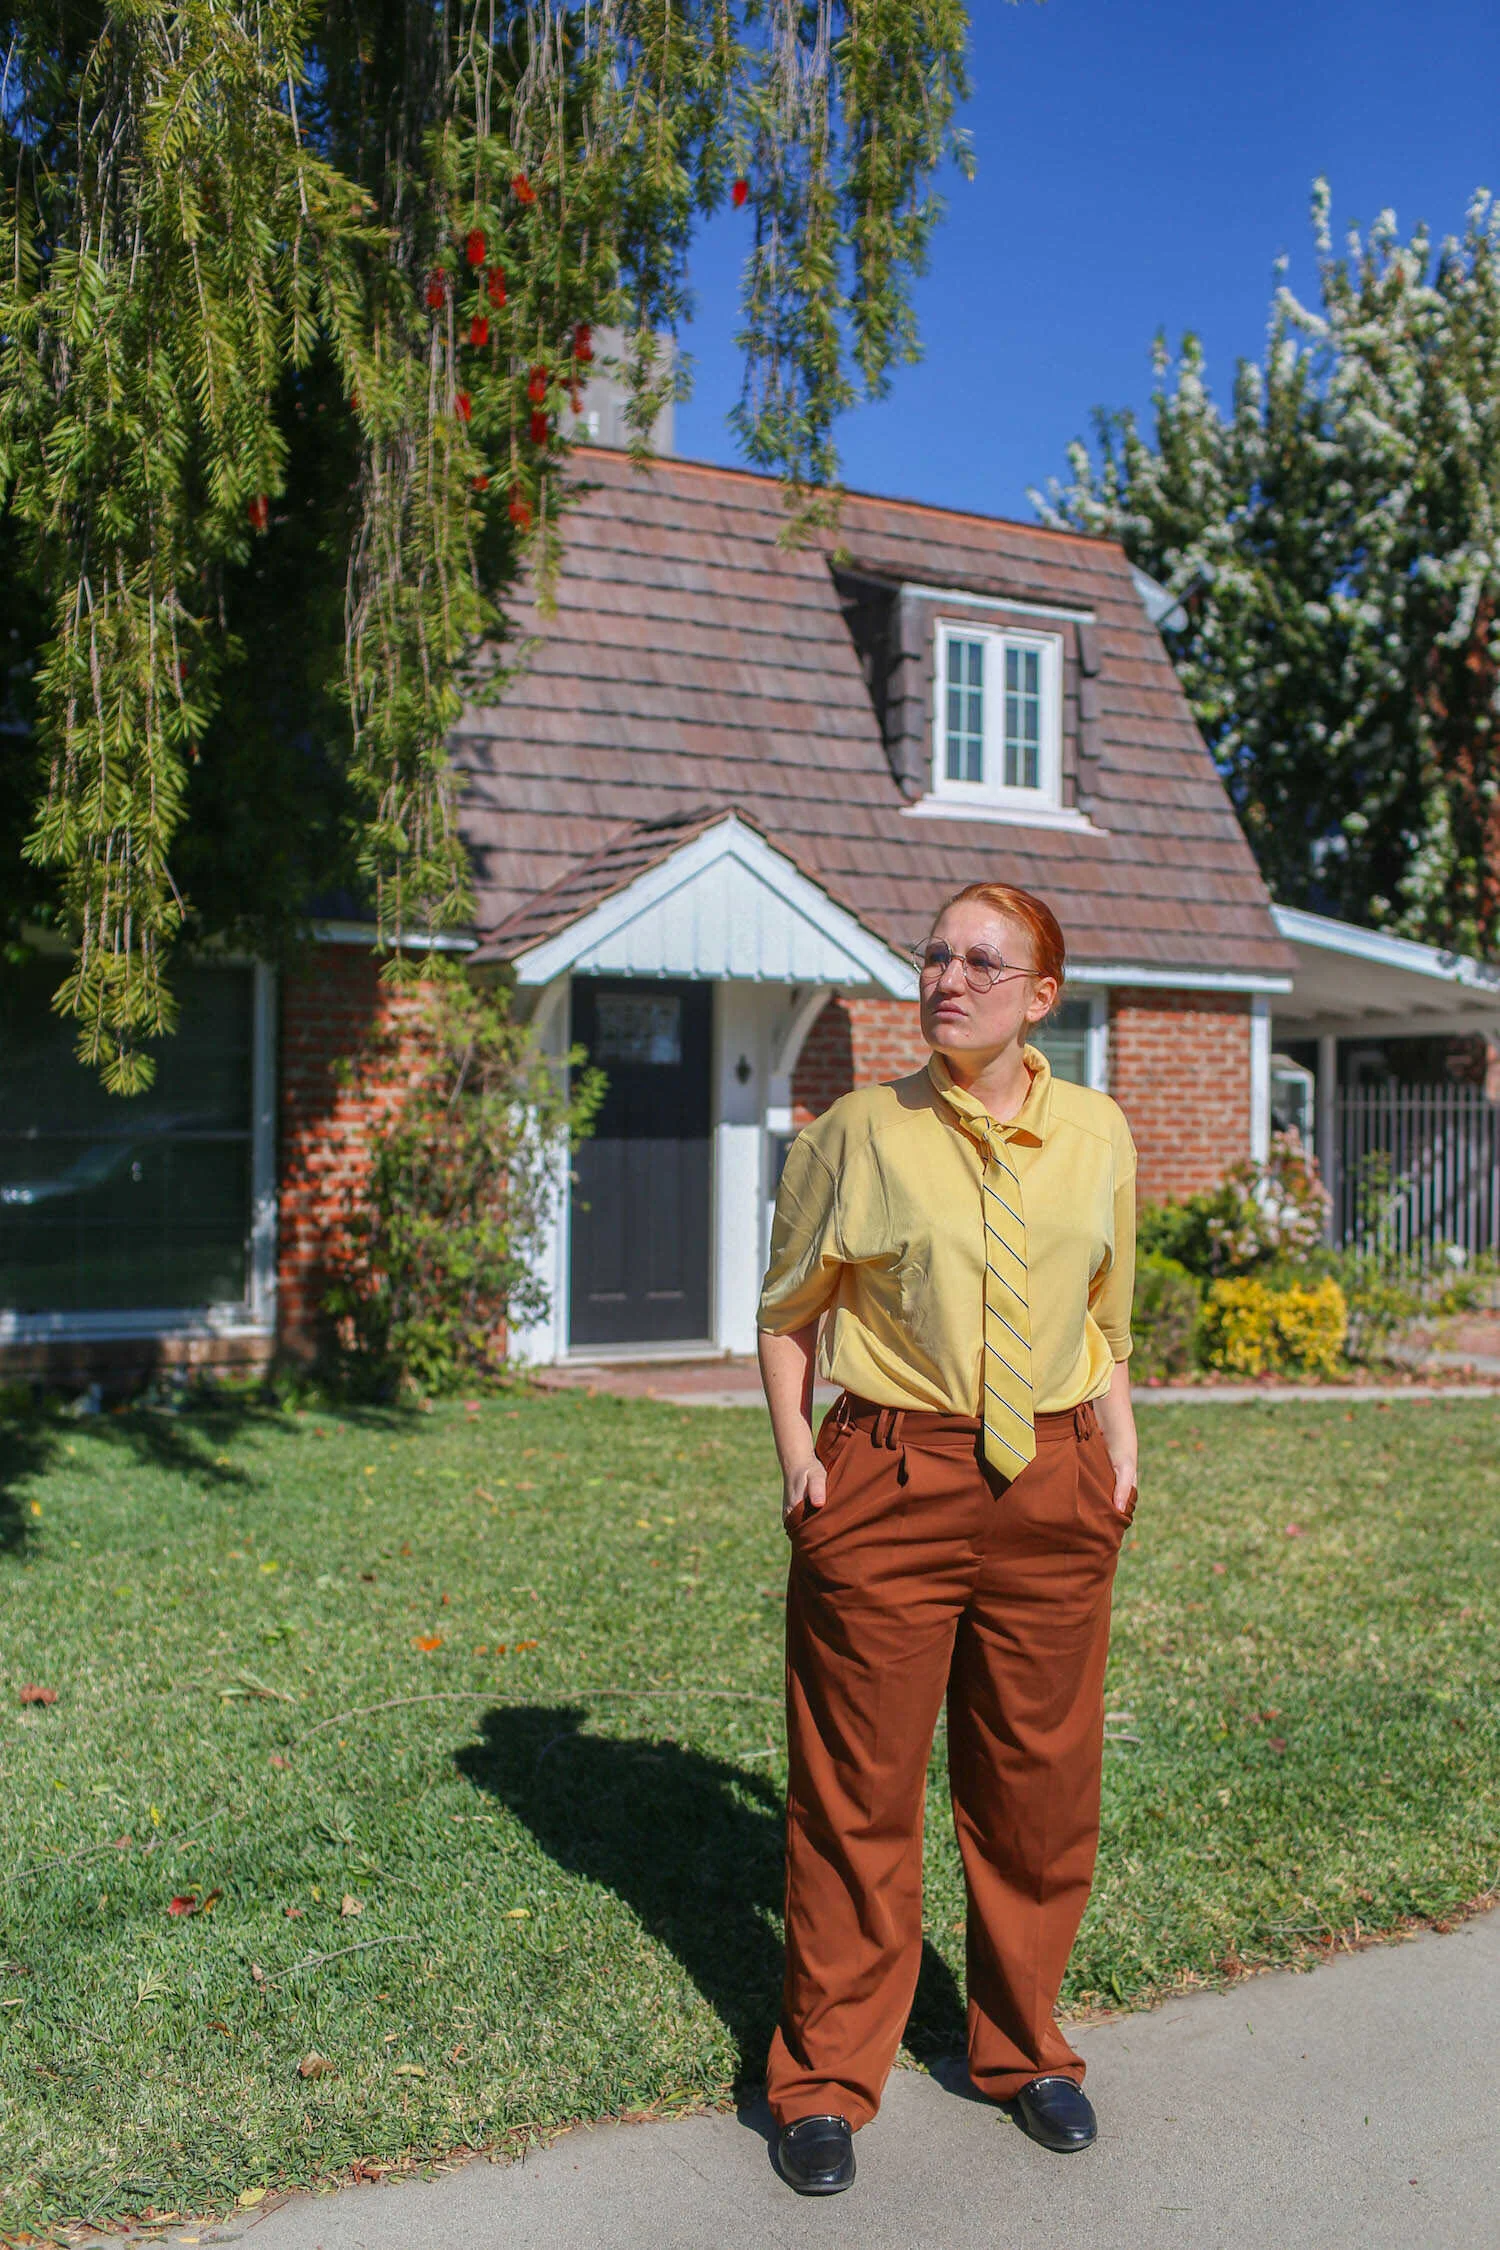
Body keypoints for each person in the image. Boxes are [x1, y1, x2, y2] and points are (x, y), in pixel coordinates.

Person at [756, 881, 1138, 2197]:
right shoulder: (859, 1132)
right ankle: (822, 2076)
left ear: (1043, 995)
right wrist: (802, 1455)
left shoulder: (1098, 1132)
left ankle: (1027, 2047)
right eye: (933, 954)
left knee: (1037, 1782)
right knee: (857, 1792)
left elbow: (1104, 1312)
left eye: (984, 960)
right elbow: (787, 1312)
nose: (948, 976)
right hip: (890, 1476)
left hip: (1056, 1482)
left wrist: (1120, 1443)